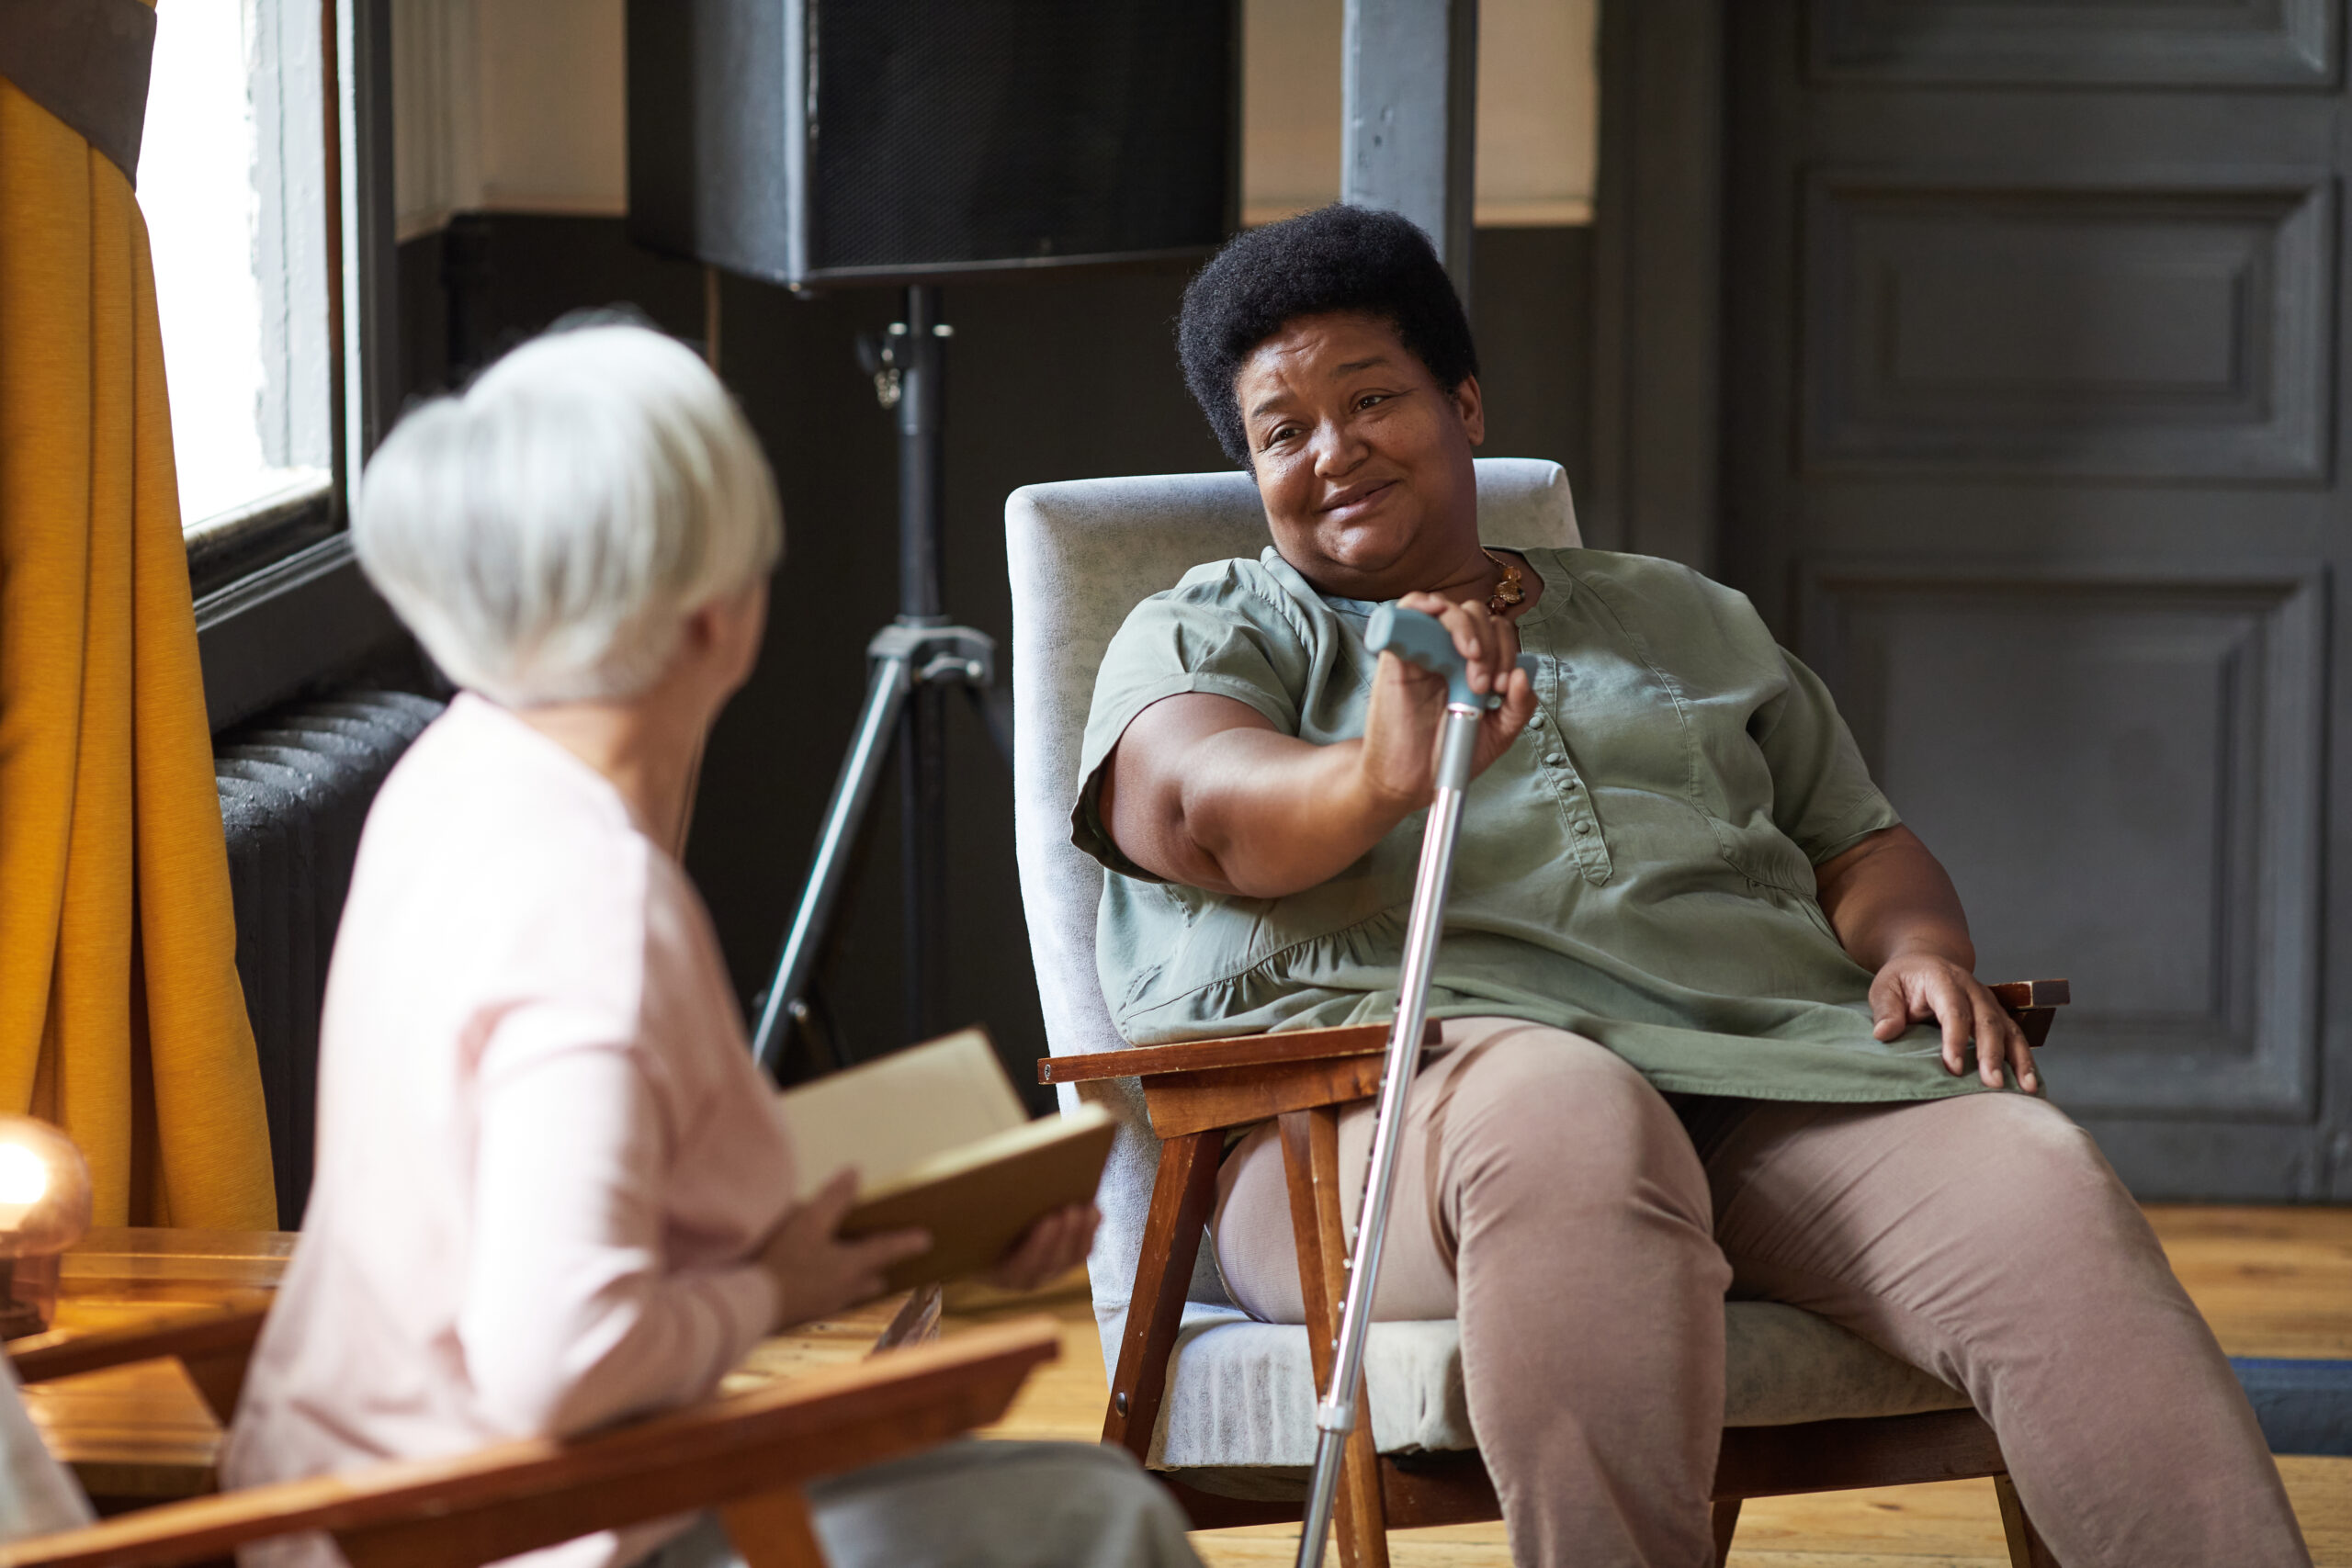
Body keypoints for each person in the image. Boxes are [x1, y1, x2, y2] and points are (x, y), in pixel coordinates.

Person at [1073, 204, 2310, 1568]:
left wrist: (1914, 945)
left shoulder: (1683, 615)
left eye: (1371, 398)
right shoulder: (1221, 622)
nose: (1333, 450)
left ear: (1465, 404)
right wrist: (1376, 774)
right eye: (1282, 431)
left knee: (2029, 1177)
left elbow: (1857, 841)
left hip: (1760, 1087)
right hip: (1369, 1128)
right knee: (1568, 1113)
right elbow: (1195, 809)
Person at [222, 322, 1202, 1568]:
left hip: (358, 1499)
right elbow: (555, 1362)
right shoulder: (594, 904)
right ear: (712, 620)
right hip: (507, 1529)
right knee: (1108, 1515)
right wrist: (775, 1293)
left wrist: (920, 1229)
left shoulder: (454, 771)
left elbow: (566, 1192)